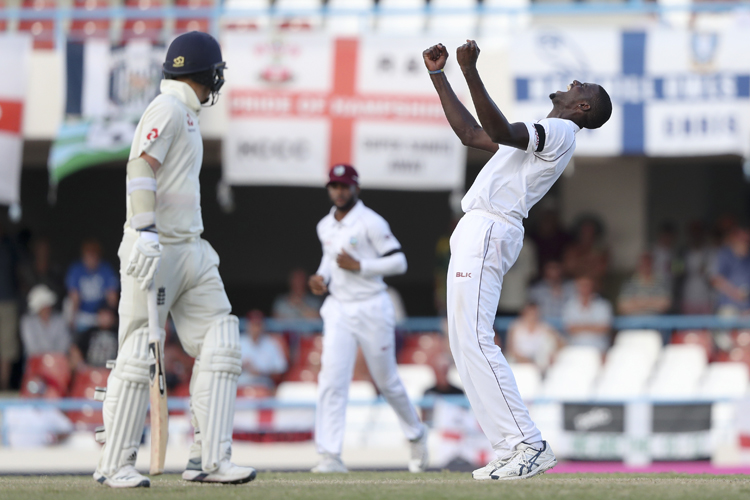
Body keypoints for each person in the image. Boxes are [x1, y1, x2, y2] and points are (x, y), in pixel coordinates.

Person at [424, 40, 611, 480]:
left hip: (491, 227)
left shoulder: (562, 131)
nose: (570, 82)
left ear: (581, 106)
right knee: (464, 344)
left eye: (578, 85)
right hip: (478, 227)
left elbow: (502, 130)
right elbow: (472, 134)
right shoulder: (541, 134)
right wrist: (439, 76)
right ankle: (510, 446)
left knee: (474, 338)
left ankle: (527, 443)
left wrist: (470, 70)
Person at [94, 32, 256, 488]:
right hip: (155, 247)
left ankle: (209, 459)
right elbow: (140, 166)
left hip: (192, 247)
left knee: (221, 340)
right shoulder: (166, 108)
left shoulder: (186, 114)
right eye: (216, 74)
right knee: (139, 354)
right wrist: (144, 230)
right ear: (205, 74)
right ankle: (115, 463)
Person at [308, 164, 428, 474]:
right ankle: (330, 456)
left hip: (372, 306)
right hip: (339, 308)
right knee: (331, 380)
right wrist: (321, 277)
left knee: (387, 381)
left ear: (356, 188)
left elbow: (399, 262)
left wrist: (361, 266)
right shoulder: (325, 226)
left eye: (344, 186)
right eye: (334, 186)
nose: (339, 191)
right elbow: (329, 257)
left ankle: (415, 434)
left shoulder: (371, 222)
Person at [65, 239, 119, 332]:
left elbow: (112, 299)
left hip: (100, 314)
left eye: (94, 255)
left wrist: (111, 316)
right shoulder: (76, 269)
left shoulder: (106, 269)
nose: (91, 258)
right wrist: (72, 320)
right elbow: (74, 297)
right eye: (88, 255)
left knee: (108, 317)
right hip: (82, 313)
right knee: (67, 304)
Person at [506, 302, 564, 372]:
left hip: (539, 365)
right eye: (529, 313)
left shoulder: (544, 327)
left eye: (534, 313)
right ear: (524, 313)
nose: (532, 316)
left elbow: (561, 342)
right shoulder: (515, 327)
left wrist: (554, 354)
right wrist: (525, 361)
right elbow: (511, 349)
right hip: (519, 362)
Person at [562, 276, 613, 353]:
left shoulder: (603, 305)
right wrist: (593, 326)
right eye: (581, 285)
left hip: (598, 348)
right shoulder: (569, 305)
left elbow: (604, 328)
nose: (584, 288)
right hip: (574, 347)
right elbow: (569, 328)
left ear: (593, 286)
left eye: (587, 285)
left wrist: (579, 326)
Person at [238, 310, 287, 389]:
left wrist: (261, 372)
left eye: (258, 325)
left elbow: (280, 369)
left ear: (263, 325)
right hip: (242, 383)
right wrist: (242, 365)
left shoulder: (272, 343)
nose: (256, 329)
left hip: (264, 382)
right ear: (248, 325)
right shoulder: (239, 341)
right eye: (253, 325)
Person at [20, 285, 71, 358]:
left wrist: (52, 359)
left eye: (47, 304)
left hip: (57, 361)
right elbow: (31, 348)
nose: (46, 308)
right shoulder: (27, 322)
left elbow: (64, 344)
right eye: (42, 306)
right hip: (35, 362)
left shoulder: (60, 320)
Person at [711, 226, 750, 316]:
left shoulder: (748, 258)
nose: (745, 244)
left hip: (747, 308)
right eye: (742, 241)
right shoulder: (725, 255)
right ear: (734, 241)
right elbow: (716, 280)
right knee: (727, 316)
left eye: (747, 241)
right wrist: (735, 293)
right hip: (728, 306)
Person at [617, 252, 672, 316]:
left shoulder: (661, 283)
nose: (645, 266)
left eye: (648, 263)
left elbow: (665, 304)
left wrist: (638, 302)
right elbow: (622, 306)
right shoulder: (629, 284)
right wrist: (652, 302)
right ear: (638, 265)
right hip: (633, 323)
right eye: (643, 263)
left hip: (656, 323)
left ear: (652, 265)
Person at [0, 221, 19, 390]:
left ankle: (4, 386)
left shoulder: (10, 247)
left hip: (7, 301)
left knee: (6, 347)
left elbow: (20, 271)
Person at [528, 260, 575, 325]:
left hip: (567, 328)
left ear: (561, 270)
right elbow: (530, 311)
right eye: (550, 268)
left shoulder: (570, 288)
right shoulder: (536, 290)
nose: (554, 271)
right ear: (545, 271)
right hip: (543, 327)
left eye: (556, 268)